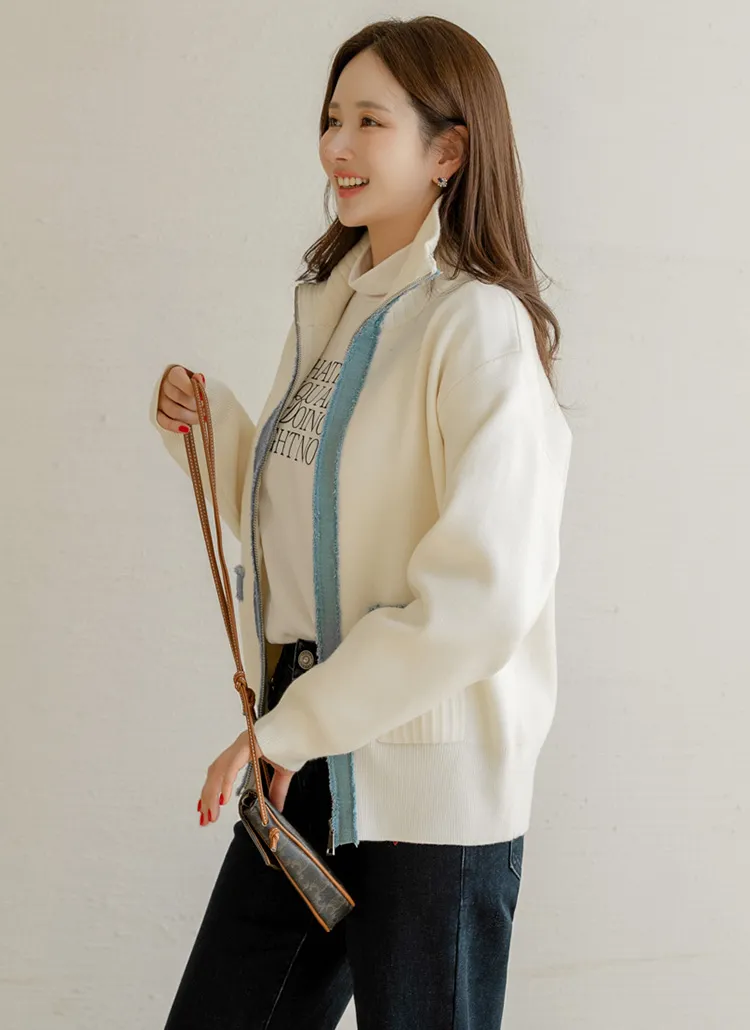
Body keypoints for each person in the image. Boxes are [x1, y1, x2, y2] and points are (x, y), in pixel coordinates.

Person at [149, 15, 573, 1030]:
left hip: (428, 796)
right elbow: (317, 531)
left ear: (447, 152)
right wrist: (213, 428)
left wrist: (290, 726)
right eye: (331, 118)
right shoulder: (333, 306)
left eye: (369, 121)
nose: (336, 146)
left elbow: (480, 601)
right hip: (307, 760)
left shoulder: (476, 326)